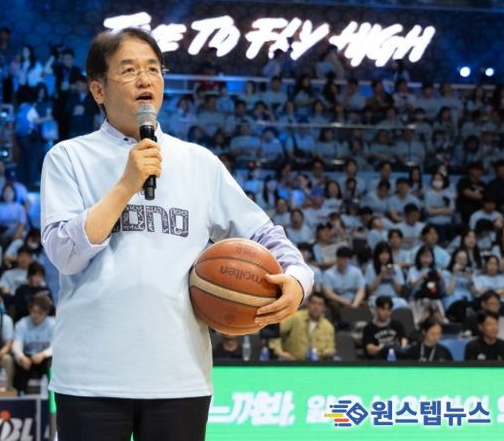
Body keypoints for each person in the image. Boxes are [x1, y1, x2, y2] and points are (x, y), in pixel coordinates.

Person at [40, 28, 312, 441]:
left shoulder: (198, 162)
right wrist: (126, 184)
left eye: (154, 69)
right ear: (98, 89)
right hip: (91, 377)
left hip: (179, 377)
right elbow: (64, 253)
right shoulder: (68, 157)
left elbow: (263, 232)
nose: (145, 80)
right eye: (129, 70)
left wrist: (297, 278)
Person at [270, 292, 335, 361]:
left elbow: (330, 348)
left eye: (320, 304)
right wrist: (279, 352)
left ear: (324, 308)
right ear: (308, 304)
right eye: (313, 303)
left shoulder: (328, 327)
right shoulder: (295, 317)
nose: (316, 307)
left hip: (317, 364)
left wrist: (328, 352)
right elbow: (275, 332)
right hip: (292, 362)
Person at [12, 296, 56, 394]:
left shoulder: (52, 324)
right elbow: (16, 345)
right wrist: (21, 357)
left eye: (40, 313)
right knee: (19, 364)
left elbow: (55, 346)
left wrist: (43, 354)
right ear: (29, 310)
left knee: (52, 363)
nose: (36, 316)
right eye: (33, 312)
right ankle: (20, 394)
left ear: (46, 313)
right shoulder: (22, 324)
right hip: (28, 357)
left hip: (45, 357)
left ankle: (52, 395)